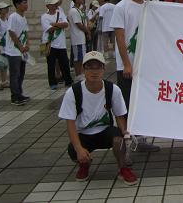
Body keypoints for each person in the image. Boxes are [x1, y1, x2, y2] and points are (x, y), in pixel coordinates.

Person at [58, 51, 137, 185]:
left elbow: (119, 115)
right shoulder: (73, 92)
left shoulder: (112, 89)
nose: (94, 71)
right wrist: (79, 149)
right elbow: (70, 123)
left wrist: (125, 132)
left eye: (98, 67)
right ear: (83, 69)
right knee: (73, 150)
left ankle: (123, 168)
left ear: (103, 69)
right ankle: (84, 163)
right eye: (90, 67)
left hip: (105, 131)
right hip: (84, 134)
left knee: (119, 140)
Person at [110, 0, 149, 108]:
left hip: (144, 65)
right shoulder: (121, 7)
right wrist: (126, 64)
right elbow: (120, 38)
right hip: (128, 66)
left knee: (141, 103)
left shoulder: (149, 7)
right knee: (127, 103)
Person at [41, 0, 73, 89]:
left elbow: (66, 24)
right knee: (51, 65)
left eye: (56, 3)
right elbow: (49, 29)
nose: (55, 5)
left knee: (65, 63)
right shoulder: (44, 17)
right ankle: (52, 83)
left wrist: (55, 24)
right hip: (50, 44)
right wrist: (60, 25)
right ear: (48, 6)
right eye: (53, 4)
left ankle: (68, 81)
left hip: (61, 44)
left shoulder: (60, 13)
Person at [5, 0, 30, 106]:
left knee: (21, 73)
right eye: (24, 3)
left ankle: (19, 93)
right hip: (13, 51)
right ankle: (15, 97)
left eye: (26, 2)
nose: (26, 5)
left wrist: (27, 44)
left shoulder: (23, 17)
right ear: (17, 4)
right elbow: (11, 32)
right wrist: (20, 46)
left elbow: (26, 32)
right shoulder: (13, 17)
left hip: (22, 51)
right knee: (15, 74)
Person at [69, 0, 91, 79]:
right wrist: (88, 32)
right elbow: (79, 24)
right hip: (77, 38)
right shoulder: (74, 11)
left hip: (81, 38)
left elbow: (83, 21)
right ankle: (78, 74)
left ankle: (80, 73)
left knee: (81, 57)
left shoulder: (78, 10)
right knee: (78, 58)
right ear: (76, 0)